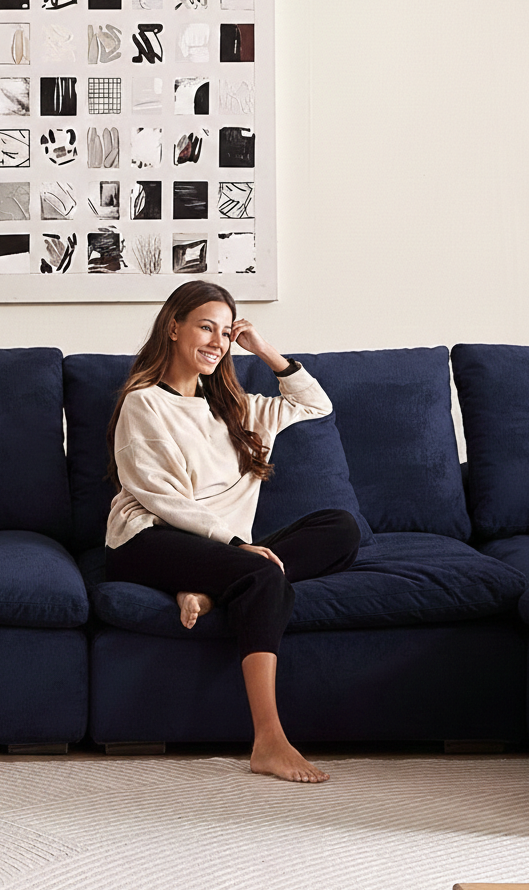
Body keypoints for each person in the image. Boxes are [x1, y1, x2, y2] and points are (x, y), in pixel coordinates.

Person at [104, 280, 362, 783]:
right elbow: (161, 498)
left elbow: (315, 405)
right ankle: (268, 739)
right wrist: (237, 545)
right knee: (263, 576)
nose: (216, 342)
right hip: (146, 539)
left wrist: (262, 349)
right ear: (173, 326)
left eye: (225, 333)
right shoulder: (144, 404)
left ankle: (207, 591)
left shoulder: (235, 408)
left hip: (220, 553)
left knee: (342, 528)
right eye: (206, 327)